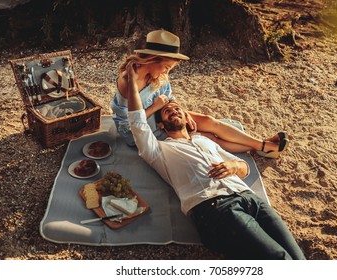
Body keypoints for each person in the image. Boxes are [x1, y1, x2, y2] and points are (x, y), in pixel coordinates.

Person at [126, 61, 306, 260]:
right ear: (161, 125)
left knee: (298, 258)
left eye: (177, 109)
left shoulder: (204, 140)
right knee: (279, 258)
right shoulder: (158, 150)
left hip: (252, 200)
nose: (174, 111)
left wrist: (234, 165)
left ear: (187, 119)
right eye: (168, 112)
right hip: (215, 208)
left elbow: (244, 168)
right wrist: (133, 83)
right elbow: (137, 121)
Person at [112, 29, 289, 158]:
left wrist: (183, 112)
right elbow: (131, 126)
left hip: (162, 113)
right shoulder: (128, 81)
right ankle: (263, 148)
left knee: (208, 121)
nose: (167, 72)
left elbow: (169, 97)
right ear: (153, 59)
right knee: (205, 137)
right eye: (166, 67)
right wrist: (154, 107)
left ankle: (262, 145)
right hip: (142, 130)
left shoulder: (159, 73)